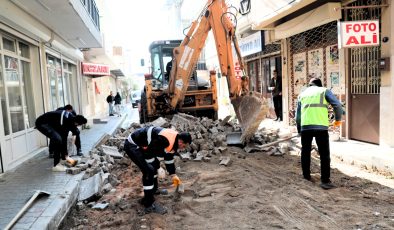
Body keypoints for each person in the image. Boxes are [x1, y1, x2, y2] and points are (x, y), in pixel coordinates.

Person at [123, 126, 192, 214]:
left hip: (145, 147)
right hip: (133, 145)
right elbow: (147, 152)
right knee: (149, 171)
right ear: (181, 141)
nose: (184, 148)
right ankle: (148, 204)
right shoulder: (164, 140)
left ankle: (153, 190)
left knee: (154, 165)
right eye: (184, 145)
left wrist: (173, 174)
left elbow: (169, 158)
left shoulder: (174, 141)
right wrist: (158, 168)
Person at [295, 77, 342, 190]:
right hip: (321, 128)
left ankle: (306, 176)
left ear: (310, 85)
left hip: (305, 127)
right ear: (319, 85)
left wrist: (299, 130)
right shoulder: (324, 91)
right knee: (324, 154)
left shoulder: (302, 94)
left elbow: (298, 116)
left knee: (305, 152)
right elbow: (337, 105)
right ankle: (325, 181)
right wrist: (338, 120)